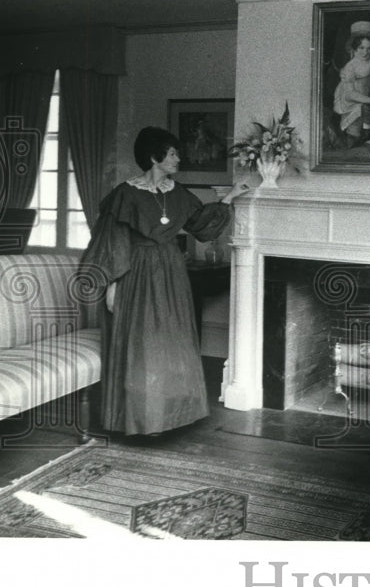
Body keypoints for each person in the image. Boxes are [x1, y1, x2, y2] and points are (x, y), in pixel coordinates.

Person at [80, 126, 250, 436]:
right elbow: (112, 241)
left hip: (171, 271)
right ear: (155, 157)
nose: (178, 158)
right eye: (172, 153)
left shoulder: (177, 192)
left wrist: (232, 196)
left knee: (171, 342)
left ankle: (171, 416)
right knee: (143, 345)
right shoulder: (125, 193)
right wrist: (112, 284)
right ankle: (140, 418)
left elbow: (200, 225)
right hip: (136, 273)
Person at [332, 20, 370, 147]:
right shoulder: (350, 67)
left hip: (368, 95)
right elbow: (349, 94)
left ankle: (369, 135)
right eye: (361, 48)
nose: (365, 52)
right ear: (354, 48)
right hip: (352, 100)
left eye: (369, 48)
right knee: (353, 137)